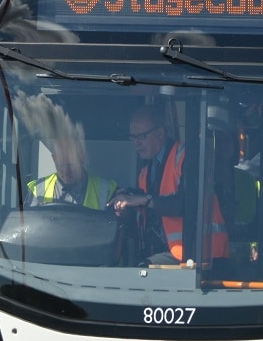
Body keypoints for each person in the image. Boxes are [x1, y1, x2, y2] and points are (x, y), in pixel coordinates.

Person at [110, 106, 229, 262]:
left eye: (141, 136)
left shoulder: (187, 157)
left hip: (203, 256)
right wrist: (124, 212)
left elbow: (185, 204)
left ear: (160, 133)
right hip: (169, 254)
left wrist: (144, 199)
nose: (136, 143)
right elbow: (144, 225)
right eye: (133, 137)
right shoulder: (144, 173)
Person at [25, 134, 117, 209]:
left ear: (82, 158)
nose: (66, 172)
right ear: (54, 159)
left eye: (71, 165)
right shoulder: (37, 191)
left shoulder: (107, 191)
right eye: (61, 165)